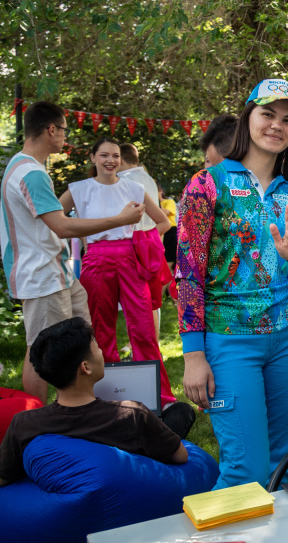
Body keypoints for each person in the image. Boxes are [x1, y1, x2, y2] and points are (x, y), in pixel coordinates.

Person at [177, 78, 288, 489]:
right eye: (268, 114)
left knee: (281, 464)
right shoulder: (207, 184)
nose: (277, 125)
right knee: (245, 469)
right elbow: (188, 272)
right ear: (248, 117)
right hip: (229, 340)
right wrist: (192, 355)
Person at [0, 101, 144, 402]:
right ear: (51, 130)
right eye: (64, 130)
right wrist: (120, 220)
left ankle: (85, 406)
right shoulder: (30, 173)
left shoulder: (23, 166)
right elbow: (61, 227)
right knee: (41, 348)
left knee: (81, 340)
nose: (65, 136)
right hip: (41, 275)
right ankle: (39, 419)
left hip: (58, 273)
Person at [59, 139, 180, 411]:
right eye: (104, 155)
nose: (110, 160)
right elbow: (55, 220)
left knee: (144, 330)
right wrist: (86, 234)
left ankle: (160, 397)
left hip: (129, 259)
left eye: (115, 155)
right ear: (93, 157)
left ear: (121, 160)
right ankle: (105, 398)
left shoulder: (133, 187)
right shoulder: (79, 189)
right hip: (95, 261)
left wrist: (142, 241)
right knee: (100, 332)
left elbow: (163, 221)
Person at [0, 317, 187, 487]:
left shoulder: (23, 425)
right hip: (130, 493)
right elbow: (181, 456)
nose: (101, 351)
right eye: (96, 347)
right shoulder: (132, 415)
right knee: (181, 411)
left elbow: (4, 477)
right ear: (86, 367)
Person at [118, 142, 173, 332]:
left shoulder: (123, 180)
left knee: (137, 299)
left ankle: (143, 346)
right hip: (152, 241)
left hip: (136, 243)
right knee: (150, 299)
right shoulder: (147, 178)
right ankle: (151, 344)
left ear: (121, 159)